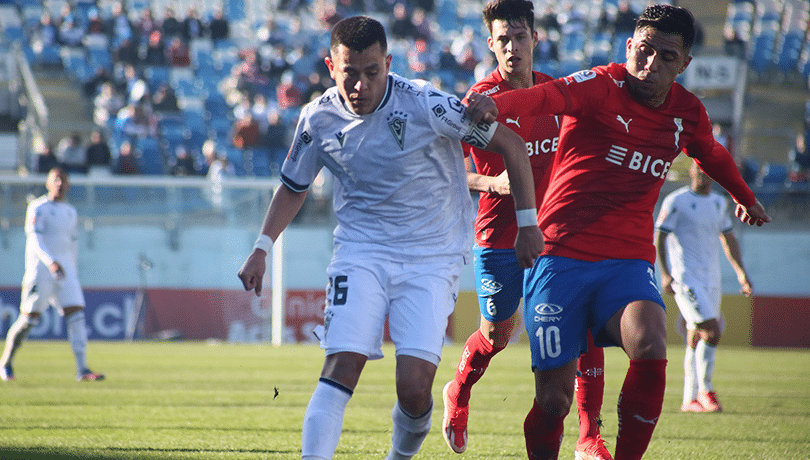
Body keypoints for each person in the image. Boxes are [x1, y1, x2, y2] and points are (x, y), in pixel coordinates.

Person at [237, 16, 543, 460]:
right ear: (330, 66)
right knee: (341, 364)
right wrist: (262, 248)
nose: (359, 85)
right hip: (361, 252)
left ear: (388, 63)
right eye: (349, 73)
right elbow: (292, 187)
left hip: (432, 256)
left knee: (414, 388)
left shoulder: (425, 104)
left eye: (371, 72)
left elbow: (512, 145)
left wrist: (528, 223)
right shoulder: (318, 118)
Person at [475, 5, 770, 459]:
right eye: (644, 51)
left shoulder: (687, 113)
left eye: (665, 57)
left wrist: (744, 196)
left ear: (683, 64)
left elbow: (709, 153)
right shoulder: (599, 84)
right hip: (559, 256)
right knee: (554, 400)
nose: (650, 65)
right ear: (629, 46)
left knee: (651, 343)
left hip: (627, 262)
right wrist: (496, 104)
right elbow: (545, 97)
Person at [441, 1, 609, 458]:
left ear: (535, 39)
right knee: (497, 334)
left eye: (520, 37)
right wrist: (488, 181)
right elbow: (445, 169)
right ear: (491, 45)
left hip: (558, 238)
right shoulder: (479, 101)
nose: (512, 47)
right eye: (502, 40)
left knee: (584, 323)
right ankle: (458, 391)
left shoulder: (557, 95)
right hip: (498, 237)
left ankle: (589, 434)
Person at [655, 161, 753, 413]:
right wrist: (665, 274)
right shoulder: (676, 201)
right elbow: (660, 236)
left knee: (696, 334)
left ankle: (689, 399)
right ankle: (705, 391)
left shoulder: (720, 202)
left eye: (708, 170)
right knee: (711, 330)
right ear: (691, 171)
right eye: (699, 169)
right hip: (686, 278)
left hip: (712, 278)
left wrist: (741, 273)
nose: (702, 174)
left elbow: (728, 238)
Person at [1, 167, 105, 382]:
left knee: (76, 316)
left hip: (66, 272)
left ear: (68, 185)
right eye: (56, 180)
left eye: (63, 180)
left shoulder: (70, 211)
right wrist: (51, 262)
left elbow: (72, 244)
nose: (59, 184)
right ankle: (6, 363)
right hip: (41, 271)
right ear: (48, 183)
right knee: (29, 319)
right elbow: (35, 240)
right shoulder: (38, 207)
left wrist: (73, 270)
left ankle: (83, 369)